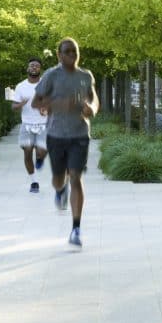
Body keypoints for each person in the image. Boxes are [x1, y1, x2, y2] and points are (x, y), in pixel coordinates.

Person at [32, 37, 99, 248]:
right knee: (59, 179)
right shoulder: (51, 76)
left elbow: (93, 98)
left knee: (76, 177)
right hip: (56, 135)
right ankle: (60, 190)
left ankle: (76, 228)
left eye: (75, 51)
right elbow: (36, 102)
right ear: (59, 55)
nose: (72, 55)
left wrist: (92, 108)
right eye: (68, 52)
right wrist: (56, 103)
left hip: (79, 134)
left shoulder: (85, 76)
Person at [10, 58, 49, 194]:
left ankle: (40, 158)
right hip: (27, 125)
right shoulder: (21, 86)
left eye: (37, 66)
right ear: (27, 69)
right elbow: (13, 106)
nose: (34, 68)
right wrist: (21, 104)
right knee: (27, 151)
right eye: (31, 65)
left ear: (40, 69)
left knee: (41, 152)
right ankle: (34, 182)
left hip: (43, 124)